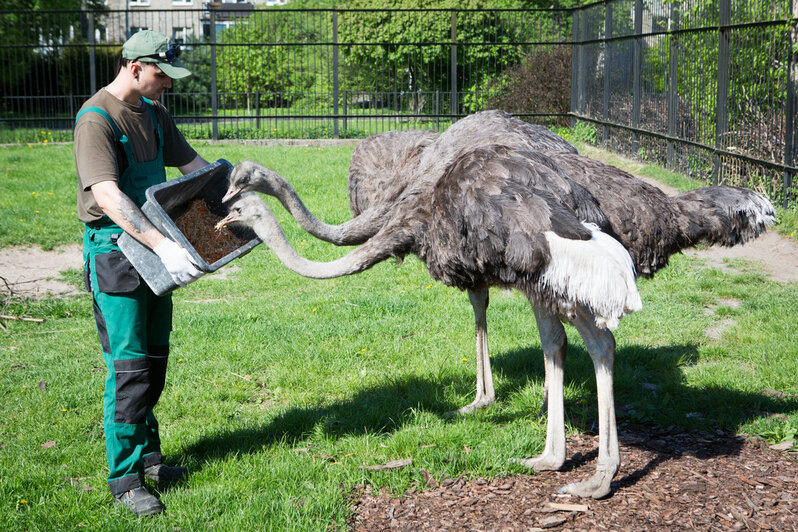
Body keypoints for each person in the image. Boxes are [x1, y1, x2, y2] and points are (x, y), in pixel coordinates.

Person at [74, 30, 208, 517]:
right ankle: (125, 478)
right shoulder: (96, 120)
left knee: (154, 361)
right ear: (134, 67)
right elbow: (107, 196)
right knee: (128, 369)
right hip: (115, 255)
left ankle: (151, 460)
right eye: (160, 75)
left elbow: (193, 166)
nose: (167, 84)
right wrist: (163, 245)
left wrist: (229, 192)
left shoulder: (155, 112)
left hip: (156, 253)